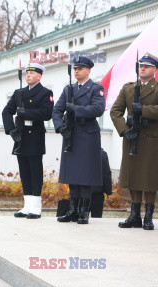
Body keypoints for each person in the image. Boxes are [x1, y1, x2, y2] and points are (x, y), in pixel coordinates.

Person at [53, 56, 106, 224]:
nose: (76, 71)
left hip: (88, 135)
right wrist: (60, 127)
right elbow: (57, 110)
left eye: (80, 68)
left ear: (88, 71)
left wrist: (76, 109)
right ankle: (73, 210)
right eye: (75, 68)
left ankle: (84, 211)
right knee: (73, 175)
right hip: (72, 134)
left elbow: (97, 109)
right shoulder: (68, 89)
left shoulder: (95, 88)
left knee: (86, 175)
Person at [110, 52, 158, 230]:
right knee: (134, 177)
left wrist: (144, 110)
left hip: (152, 140)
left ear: (154, 69)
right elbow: (115, 111)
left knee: (150, 179)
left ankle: (148, 217)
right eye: (140, 66)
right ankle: (135, 215)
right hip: (133, 137)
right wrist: (124, 130)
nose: (142, 68)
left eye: (146, 66)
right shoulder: (128, 88)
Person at [2, 63, 54, 219]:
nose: (28, 75)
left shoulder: (45, 93)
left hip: (35, 134)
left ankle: (36, 207)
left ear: (39, 76)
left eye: (31, 73)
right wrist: (11, 130)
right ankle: (27, 205)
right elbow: (6, 111)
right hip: (21, 134)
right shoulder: (19, 93)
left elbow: (47, 113)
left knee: (35, 172)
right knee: (24, 171)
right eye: (27, 73)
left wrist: (27, 112)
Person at [90, 148, 113, 218]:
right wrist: (109, 192)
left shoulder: (82, 152)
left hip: (82, 191)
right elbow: (106, 174)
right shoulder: (102, 154)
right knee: (96, 219)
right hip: (98, 191)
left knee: (81, 219)